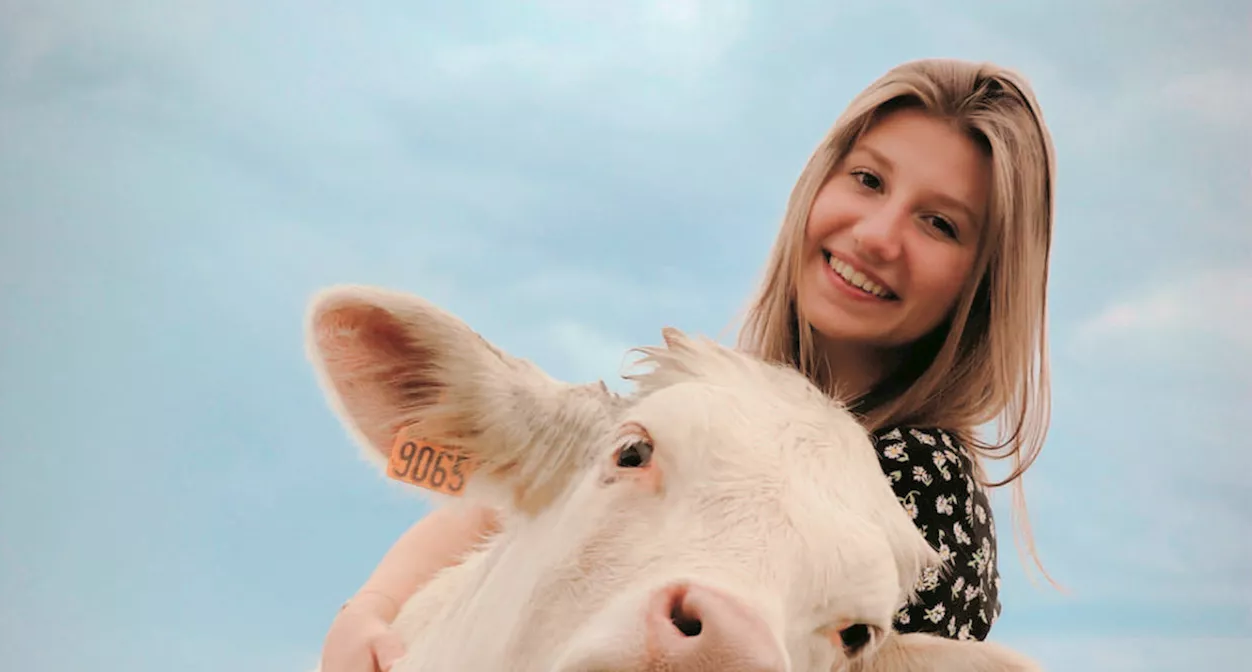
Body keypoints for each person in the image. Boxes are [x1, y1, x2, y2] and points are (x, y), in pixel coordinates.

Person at [319, 57, 1058, 671]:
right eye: (868, 179)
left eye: (940, 223)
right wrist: (372, 612)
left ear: (983, 280)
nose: (876, 234)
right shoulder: (714, 400)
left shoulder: (921, 488)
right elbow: (521, 495)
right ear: (821, 183)